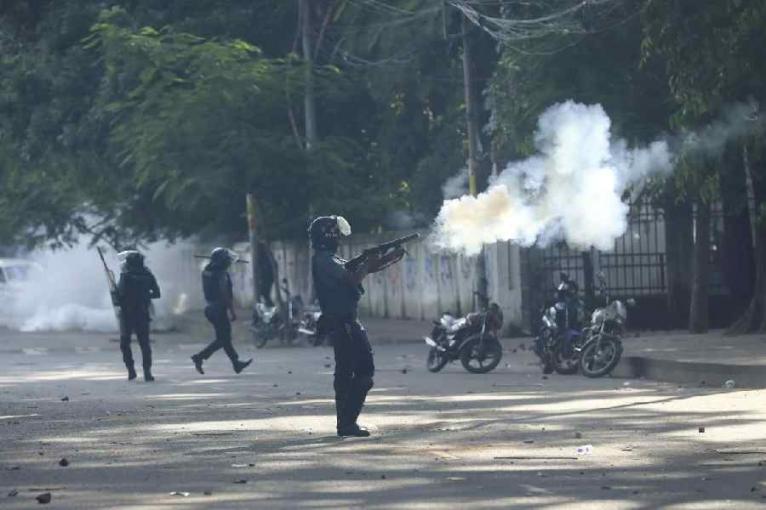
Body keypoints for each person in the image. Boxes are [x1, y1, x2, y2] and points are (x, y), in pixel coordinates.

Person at [309, 215, 404, 437]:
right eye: (336, 234)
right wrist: (369, 263)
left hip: (346, 323)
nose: (340, 239)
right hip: (344, 324)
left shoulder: (330, 259)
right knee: (361, 373)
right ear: (329, 236)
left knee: (349, 373)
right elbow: (353, 279)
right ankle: (347, 422)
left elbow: (359, 272)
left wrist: (388, 258)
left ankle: (346, 422)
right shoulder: (325, 261)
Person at [191, 247, 252, 375]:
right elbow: (225, 293)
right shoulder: (221, 274)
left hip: (210, 309)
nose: (229, 262)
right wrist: (232, 310)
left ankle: (236, 363)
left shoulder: (207, 271)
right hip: (219, 309)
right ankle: (199, 357)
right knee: (223, 339)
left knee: (224, 338)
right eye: (227, 260)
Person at [117, 250, 161, 382]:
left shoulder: (126, 276)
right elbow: (157, 293)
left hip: (127, 314)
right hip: (142, 313)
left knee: (125, 343)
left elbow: (120, 295)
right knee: (145, 344)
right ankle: (147, 371)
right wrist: (145, 295)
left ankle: (131, 370)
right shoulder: (148, 275)